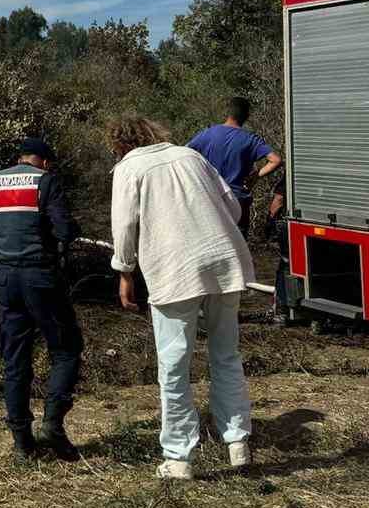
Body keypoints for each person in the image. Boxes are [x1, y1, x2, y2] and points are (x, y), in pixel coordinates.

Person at [109, 116, 253, 481]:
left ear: (120, 144)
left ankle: (178, 457)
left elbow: (124, 226)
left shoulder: (129, 168)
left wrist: (125, 272)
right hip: (223, 260)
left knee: (174, 366)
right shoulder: (191, 156)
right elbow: (233, 208)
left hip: (175, 269)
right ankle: (237, 442)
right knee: (226, 352)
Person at [0, 135, 83, 462]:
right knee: (66, 349)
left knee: (15, 359)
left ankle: (21, 444)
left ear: (20, 157)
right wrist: (70, 230)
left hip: (4, 279)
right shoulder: (46, 181)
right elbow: (64, 231)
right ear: (43, 161)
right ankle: (53, 425)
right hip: (40, 277)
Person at [187, 97, 281, 237]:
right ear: (246, 116)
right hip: (238, 200)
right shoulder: (250, 139)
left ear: (228, 113)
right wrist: (255, 176)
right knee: (239, 243)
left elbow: (185, 153)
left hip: (210, 198)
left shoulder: (208, 133)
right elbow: (276, 160)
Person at [263, 166, 298, 326]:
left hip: (290, 223)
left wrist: (270, 220)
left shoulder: (294, 168)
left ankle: (281, 311)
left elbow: (279, 199)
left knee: (285, 266)